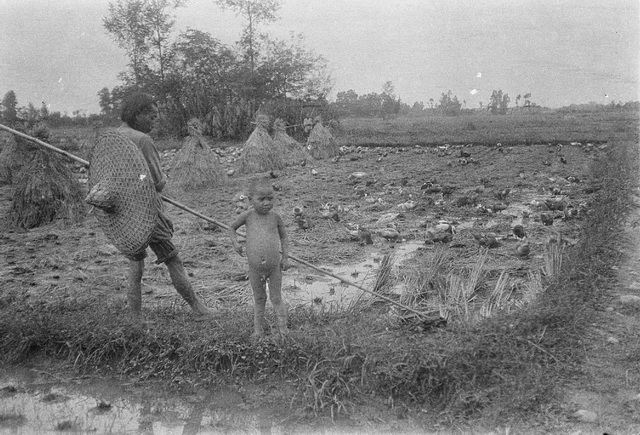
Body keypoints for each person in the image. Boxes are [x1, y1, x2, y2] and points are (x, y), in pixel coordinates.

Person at [116, 92, 213, 322]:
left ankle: (135, 317)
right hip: (146, 210)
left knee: (135, 262)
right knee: (172, 258)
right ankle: (197, 308)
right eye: (151, 115)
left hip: (123, 210)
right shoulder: (142, 140)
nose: (154, 120)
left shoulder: (114, 136)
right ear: (137, 114)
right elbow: (156, 181)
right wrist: (160, 180)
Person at [229, 177, 290, 339]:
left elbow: (284, 238)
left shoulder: (275, 217)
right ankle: (258, 331)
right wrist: (235, 244)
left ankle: (283, 330)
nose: (266, 203)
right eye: (261, 199)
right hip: (255, 268)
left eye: (270, 199)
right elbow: (232, 228)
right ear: (250, 200)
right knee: (259, 299)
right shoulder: (247, 216)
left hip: (274, 266)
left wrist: (285, 258)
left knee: (276, 298)